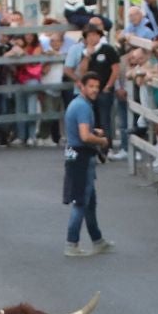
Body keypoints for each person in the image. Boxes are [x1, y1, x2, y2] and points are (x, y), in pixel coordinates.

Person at [61, 72, 112, 257]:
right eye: (91, 86)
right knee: (81, 202)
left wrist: (93, 130)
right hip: (82, 157)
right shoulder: (83, 107)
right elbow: (84, 136)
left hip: (75, 155)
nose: (95, 90)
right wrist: (102, 141)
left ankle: (97, 240)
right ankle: (71, 243)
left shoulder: (78, 104)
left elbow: (82, 130)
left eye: (97, 87)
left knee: (89, 201)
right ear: (81, 86)